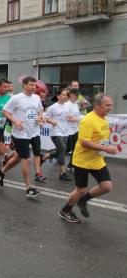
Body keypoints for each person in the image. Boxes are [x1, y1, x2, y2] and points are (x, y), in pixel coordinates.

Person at [59, 94, 119, 223]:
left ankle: (83, 200)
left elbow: (100, 138)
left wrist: (106, 146)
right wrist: (106, 149)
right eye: (107, 105)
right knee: (80, 189)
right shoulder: (88, 120)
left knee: (106, 186)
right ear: (97, 106)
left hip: (97, 159)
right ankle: (66, 210)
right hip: (82, 161)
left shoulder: (104, 118)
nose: (110, 107)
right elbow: (84, 142)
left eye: (111, 105)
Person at [0, 76, 44, 198]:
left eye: (35, 85)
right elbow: (4, 111)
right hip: (20, 133)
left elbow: (40, 110)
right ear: (24, 85)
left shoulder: (37, 98)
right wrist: (15, 120)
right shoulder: (16, 98)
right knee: (26, 159)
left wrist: (40, 117)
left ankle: (1, 172)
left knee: (18, 157)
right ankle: (29, 187)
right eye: (31, 85)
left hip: (34, 132)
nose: (33, 87)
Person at [42, 88, 74, 181]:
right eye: (63, 95)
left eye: (66, 95)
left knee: (63, 150)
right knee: (63, 149)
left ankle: (45, 156)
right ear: (58, 96)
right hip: (55, 132)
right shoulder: (53, 107)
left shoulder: (68, 106)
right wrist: (52, 122)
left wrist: (70, 117)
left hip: (65, 131)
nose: (65, 97)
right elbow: (45, 118)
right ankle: (62, 173)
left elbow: (70, 116)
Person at [65, 88, 81, 170]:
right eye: (76, 95)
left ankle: (71, 164)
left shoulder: (76, 104)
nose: (77, 97)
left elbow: (77, 116)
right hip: (68, 130)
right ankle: (51, 155)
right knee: (67, 149)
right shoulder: (67, 104)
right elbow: (68, 117)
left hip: (75, 129)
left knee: (75, 148)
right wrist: (77, 119)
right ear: (71, 95)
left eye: (78, 95)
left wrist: (77, 118)